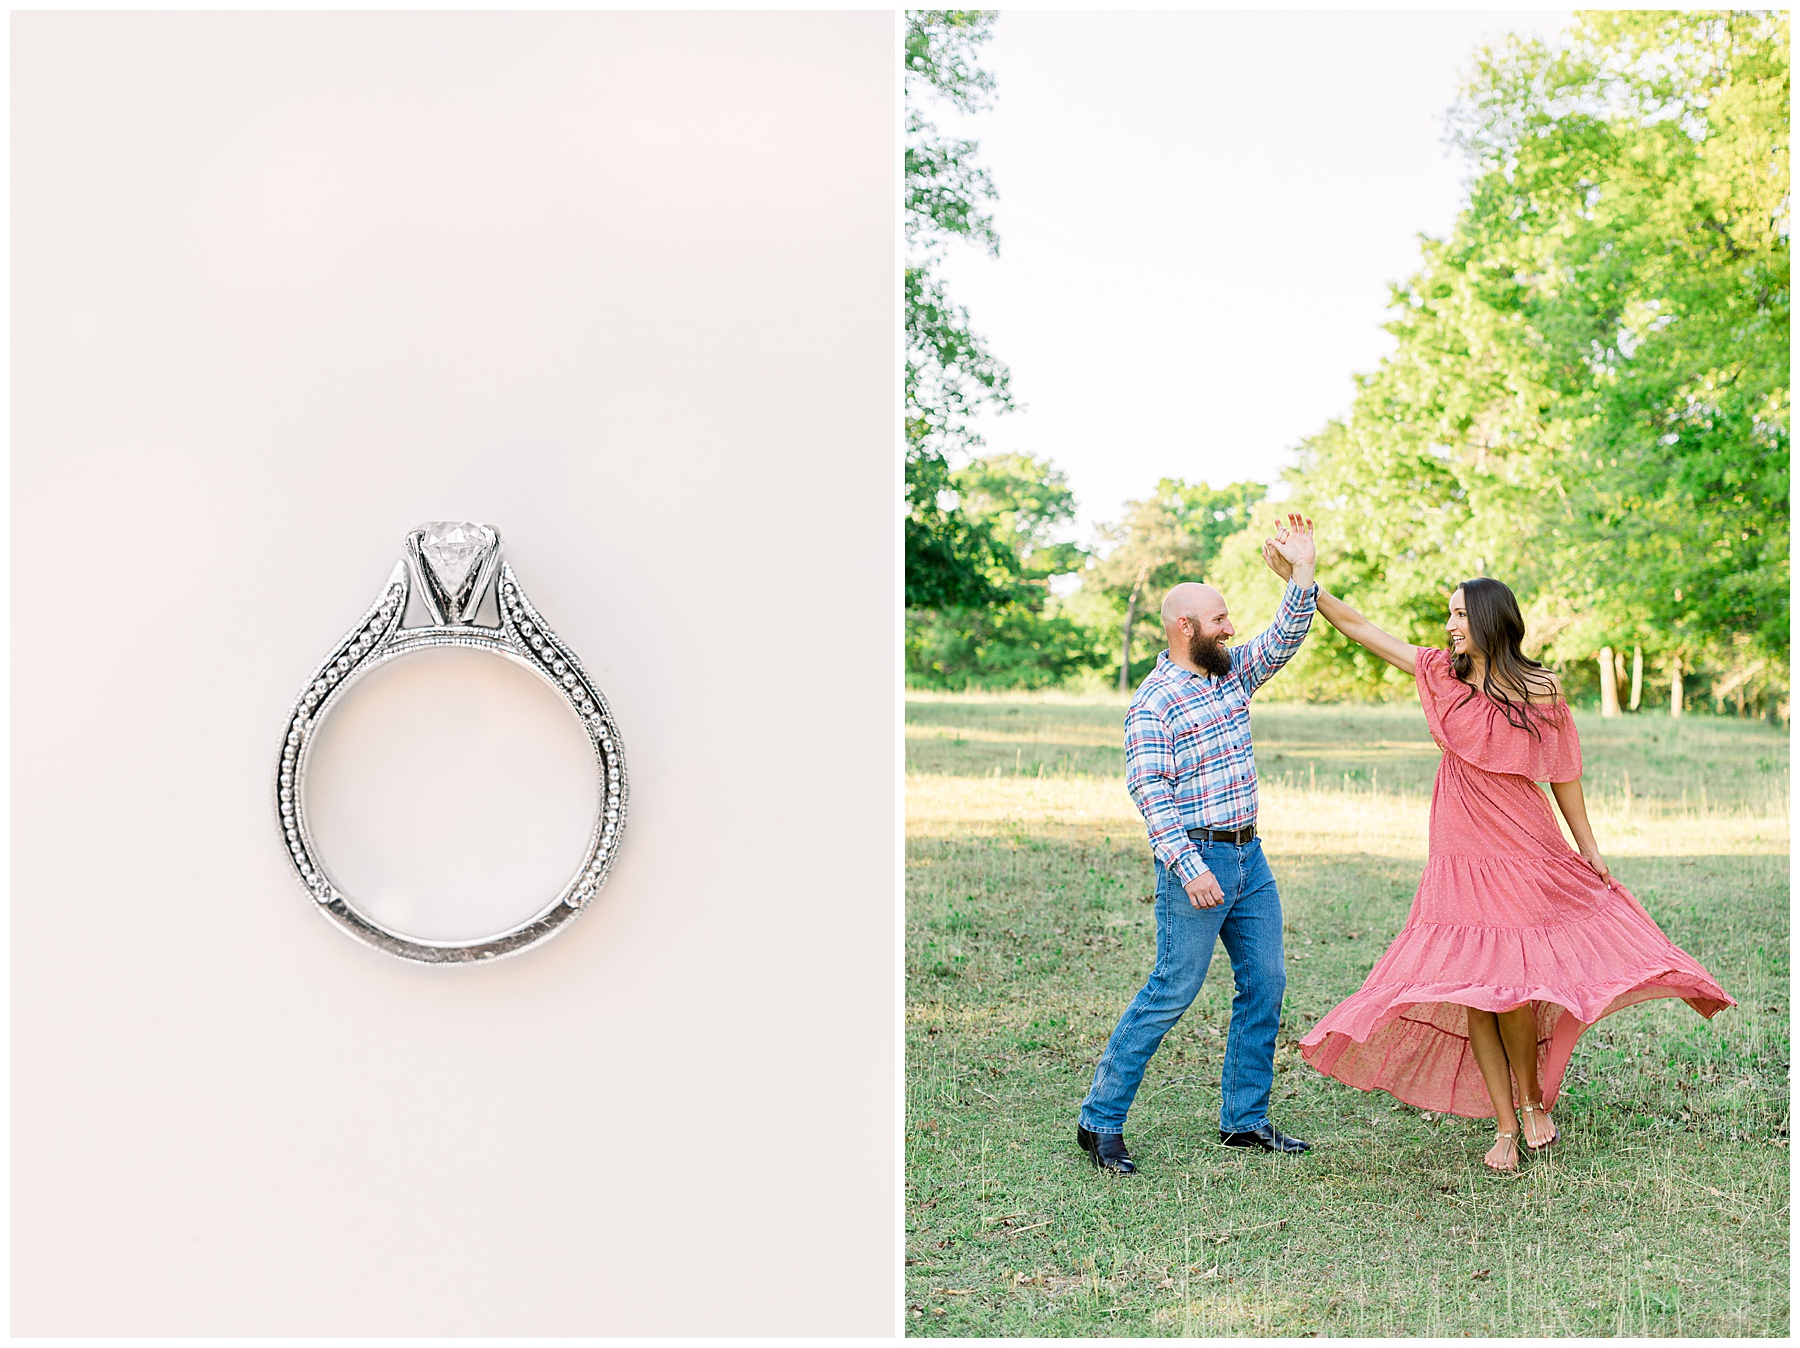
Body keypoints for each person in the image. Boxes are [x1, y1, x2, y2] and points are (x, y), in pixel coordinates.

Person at [1260, 514, 1735, 1171]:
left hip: (1523, 848)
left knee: (1512, 990)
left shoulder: (1538, 688)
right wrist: (1302, 579)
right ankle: (1506, 1125)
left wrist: (1587, 845)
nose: (1449, 624)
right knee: (1473, 988)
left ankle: (1535, 1100)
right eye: (1448, 615)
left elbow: (1563, 771)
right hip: (1459, 852)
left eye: (1459, 614)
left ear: (1489, 618)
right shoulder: (1440, 674)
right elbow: (1364, 628)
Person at [1075, 523, 1319, 1174]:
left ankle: (1245, 1119)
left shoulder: (1230, 676)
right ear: (1185, 626)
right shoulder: (1154, 704)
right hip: (1197, 861)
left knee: (1265, 982)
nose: (1231, 627)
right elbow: (1150, 792)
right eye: (1219, 619)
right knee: (1172, 990)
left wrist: (1302, 570)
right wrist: (1188, 868)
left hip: (1250, 857)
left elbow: (1286, 635)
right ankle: (1098, 1121)